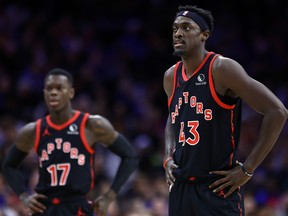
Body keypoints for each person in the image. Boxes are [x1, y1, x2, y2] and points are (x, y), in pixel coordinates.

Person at [162, 5, 288, 216]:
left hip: (217, 188)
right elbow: (173, 119)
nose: (178, 33)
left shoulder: (221, 69)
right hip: (181, 189)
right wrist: (167, 158)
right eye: (175, 28)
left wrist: (248, 168)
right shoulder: (170, 76)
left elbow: (277, 112)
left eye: (186, 27)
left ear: (204, 35)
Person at [2, 68, 139, 216]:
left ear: (71, 93)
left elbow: (130, 156)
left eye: (60, 88)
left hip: (76, 207)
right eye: (49, 88)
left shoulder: (91, 125)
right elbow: (9, 165)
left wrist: (110, 195)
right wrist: (24, 197)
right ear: (44, 93)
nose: (53, 92)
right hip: (45, 208)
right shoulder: (33, 130)